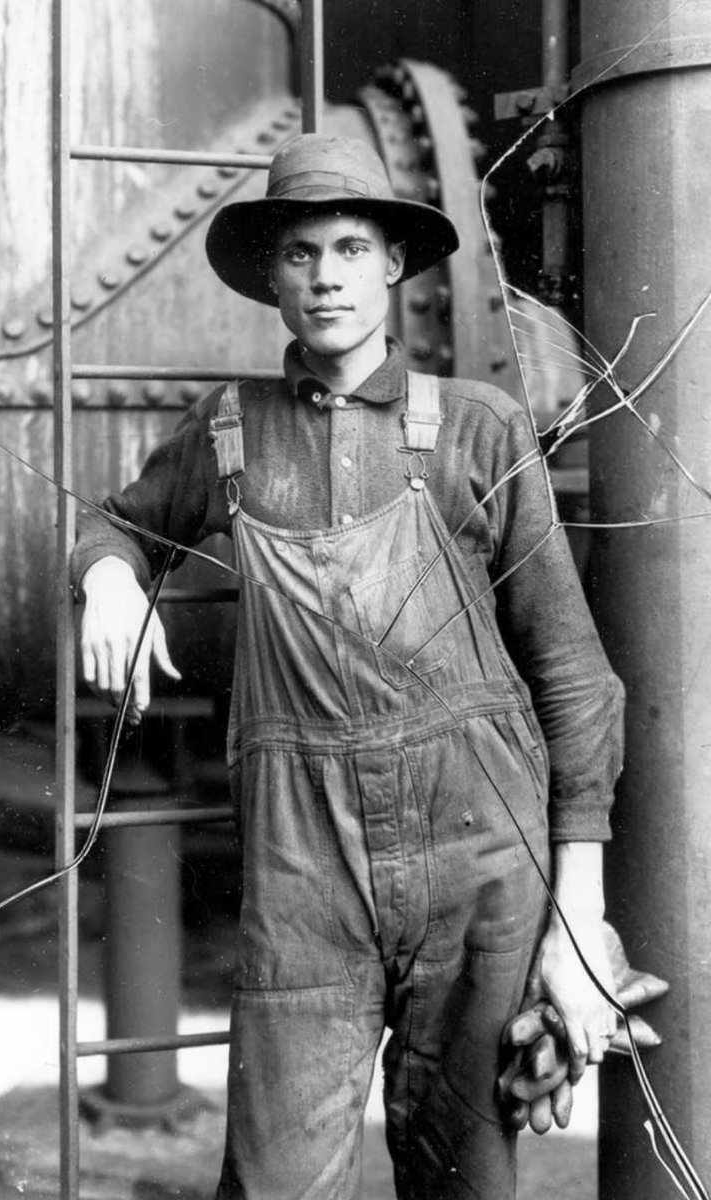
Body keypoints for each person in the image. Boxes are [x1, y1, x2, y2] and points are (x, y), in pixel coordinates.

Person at [71, 134, 625, 1199]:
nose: (324, 274)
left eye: (350, 247)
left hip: (480, 860)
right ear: (272, 279)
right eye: (299, 254)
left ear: (392, 267)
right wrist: (109, 578)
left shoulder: (479, 427)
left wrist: (577, 918)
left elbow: (570, 674)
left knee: (462, 1171)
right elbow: (114, 526)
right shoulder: (230, 432)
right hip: (304, 871)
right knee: (276, 1178)